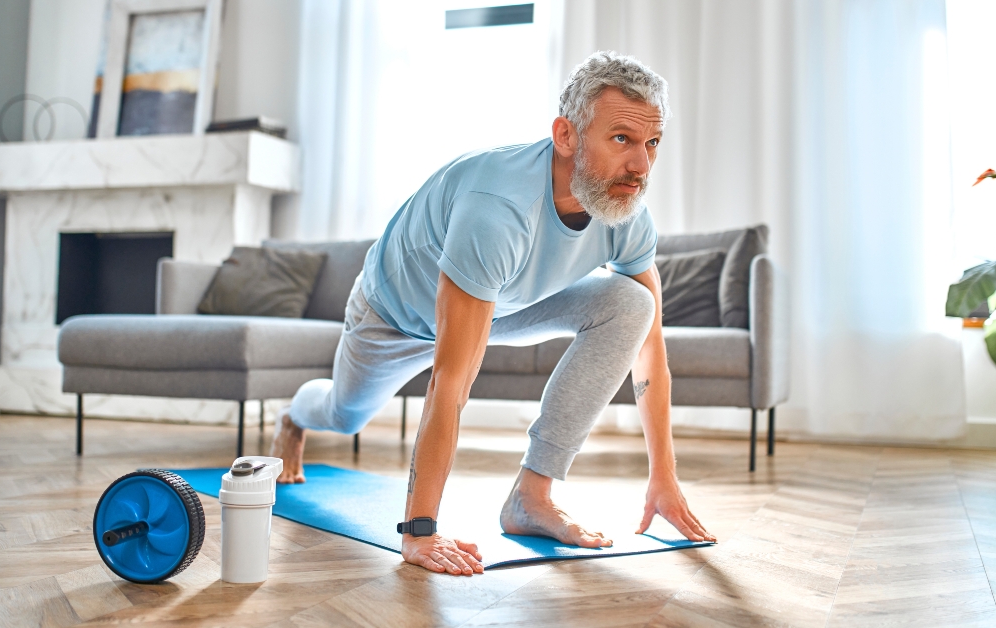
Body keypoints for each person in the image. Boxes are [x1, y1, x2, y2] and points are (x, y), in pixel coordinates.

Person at [271, 51, 716, 576]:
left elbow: (650, 353)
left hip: (503, 302)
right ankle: (293, 418)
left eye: (652, 143)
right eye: (622, 139)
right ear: (566, 135)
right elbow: (451, 381)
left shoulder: (626, 214)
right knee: (344, 416)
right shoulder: (498, 208)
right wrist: (419, 530)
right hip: (392, 318)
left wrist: (663, 476)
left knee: (633, 303)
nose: (641, 166)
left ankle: (532, 495)